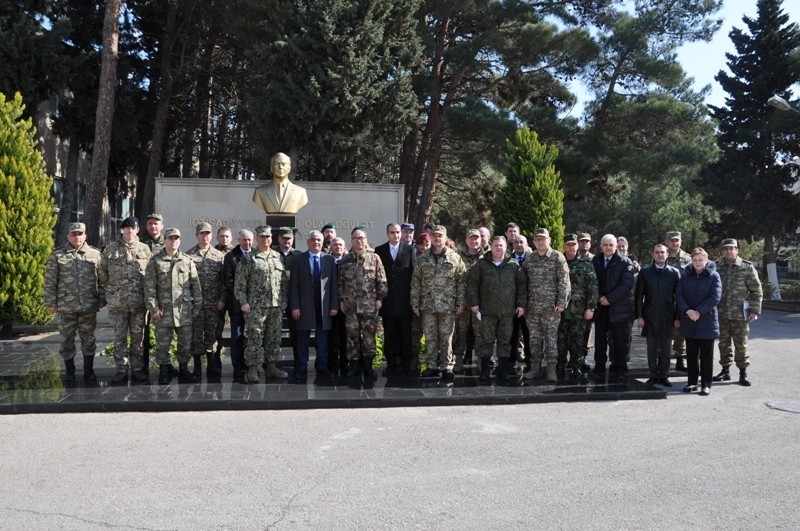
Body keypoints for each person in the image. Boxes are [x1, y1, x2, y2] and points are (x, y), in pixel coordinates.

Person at [44, 222, 106, 383]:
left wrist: (102, 298)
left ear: (85, 235)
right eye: (74, 234)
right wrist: (51, 302)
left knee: (89, 338)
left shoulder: (95, 255)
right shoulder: (57, 256)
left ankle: (88, 371)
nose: (77, 237)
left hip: (88, 305)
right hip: (66, 306)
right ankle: (69, 371)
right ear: (68, 236)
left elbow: (103, 280)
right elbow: (50, 282)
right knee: (66, 339)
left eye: (80, 234)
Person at [144, 228, 202, 385]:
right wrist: (153, 309)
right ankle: (163, 370)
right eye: (170, 238)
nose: (174, 241)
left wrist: (197, 307)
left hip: (184, 310)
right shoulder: (155, 261)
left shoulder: (187, 261)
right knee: (163, 343)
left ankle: (183, 369)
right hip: (164, 311)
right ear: (165, 240)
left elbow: (195, 285)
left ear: (180, 240)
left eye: (177, 238)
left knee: (185, 342)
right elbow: (149, 288)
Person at [99, 216, 152, 383]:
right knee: (119, 337)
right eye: (127, 228)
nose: (130, 231)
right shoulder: (110, 249)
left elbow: (150, 275)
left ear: (137, 230)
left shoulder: (145, 250)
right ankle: (121, 369)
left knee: (138, 338)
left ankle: (137, 369)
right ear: (122, 229)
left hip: (138, 303)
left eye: (133, 228)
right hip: (118, 303)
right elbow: (102, 273)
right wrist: (112, 290)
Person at [467, 236, 526, 383]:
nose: (498, 248)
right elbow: (472, 285)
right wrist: (474, 303)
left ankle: (504, 371)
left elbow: (522, 287)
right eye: (495, 245)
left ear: (506, 247)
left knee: (505, 342)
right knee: (486, 341)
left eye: (501, 245)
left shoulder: (514, 265)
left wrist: (521, 305)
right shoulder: (481, 265)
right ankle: (485, 372)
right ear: (491, 247)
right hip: (487, 311)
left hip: (507, 312)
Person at [411, 225, 466, 380]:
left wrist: (461, 302)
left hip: (448, 305)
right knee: (430, 336)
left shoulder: (455, 258)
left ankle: (447, 366)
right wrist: (415, 303)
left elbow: (461, 282)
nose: (437, 238)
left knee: (447, 337)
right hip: (428, 304)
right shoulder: (422, 258)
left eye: (440, 236)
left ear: (445, 238)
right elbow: (416, 282)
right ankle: (431, 366)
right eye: (434, 236)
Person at [234, 225, 289, 383]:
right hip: (255, 307)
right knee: (254, 337)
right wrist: (243, 302)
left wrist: (284, 299)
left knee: (274, 337)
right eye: (263, 237)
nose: (266, 239)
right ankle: (252, 368)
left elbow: (283, 281)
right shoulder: (248, 258)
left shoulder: (277, 257)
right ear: (257, 238)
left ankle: (271, 365)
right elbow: (239, 284)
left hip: (275, 306)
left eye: (268, 237)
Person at [338, 228, 387, 382]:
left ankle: (368, 365)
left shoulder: (374, 258)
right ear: (351, 240)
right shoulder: (345, 260)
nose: (359, 240)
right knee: (351, 337)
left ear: (366, 240)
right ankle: (354, 365)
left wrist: (380, 298)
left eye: (361, 237)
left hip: (369, 306)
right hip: (351, 306)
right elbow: (341, 283)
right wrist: (341, 300)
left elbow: (382, 280)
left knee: (369, 337)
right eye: (355, 238)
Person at [521, 228, 570, 382]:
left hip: (551, 308)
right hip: (533, 308)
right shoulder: (530, 259)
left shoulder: (557, 257)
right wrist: (523, 304)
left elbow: (564, 281)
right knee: (534, 340)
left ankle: (551, 369)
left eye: (543, 239)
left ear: (549, 240)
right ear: (534, 242)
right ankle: (535, 368)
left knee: (551, 339)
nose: (541, 242)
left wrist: (562, 302)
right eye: (538, 239)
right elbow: (523, 283)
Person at [289, 231, 339, 381]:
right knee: (302, 340)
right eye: (313, 240)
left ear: (322, 241)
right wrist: (295, 306)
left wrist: (333, 305)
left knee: (322, 341)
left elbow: (334, 286)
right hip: (304, 307)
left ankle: (322, 367)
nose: (316, 242)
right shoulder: (298, 259)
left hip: (323, 308)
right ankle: (301, 368)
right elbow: (293, 286)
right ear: (307, 241)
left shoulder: (329, 260)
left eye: (319, 240)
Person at [714, 238, 763, 386]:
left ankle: (743, 373)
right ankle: (725, 371)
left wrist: (754, 310)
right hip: (721, 313)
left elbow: (756, 290)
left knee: (741, 344)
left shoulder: (746, 267)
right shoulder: (716, 266)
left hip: (740, 314)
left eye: (732, 248)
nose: (729, 251)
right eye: (726, 248)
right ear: (722, 251)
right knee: (723, 344)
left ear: (737, 250)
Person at [677, 248, 721, 396]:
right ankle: (691, 382)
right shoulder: (686, 276)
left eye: (700, 260)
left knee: (706, 355)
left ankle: (706, 384)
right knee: (691, 354)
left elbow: (715, 297)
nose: (697, 263)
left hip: (706, 321)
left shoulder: (714, 276)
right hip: (689, 320)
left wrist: (698, 312)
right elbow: (679, 295)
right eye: (695, 260)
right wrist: (688, 311)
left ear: (706, 261)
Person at [634, 244, 680, 386]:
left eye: (662, 252)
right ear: (653, 254)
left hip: (668, 316)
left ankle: (664, 376)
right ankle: (653, 375)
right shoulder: (645, 272)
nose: (660, 255)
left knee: (666, 349)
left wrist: (678, 317)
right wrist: (640, 316)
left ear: (667, 254)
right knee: (651, 349)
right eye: (657, 252)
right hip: (650, 316)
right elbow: (638, 296)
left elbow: (679, 297)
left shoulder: (674, 273)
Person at [591, 234, 635, 379]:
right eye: (605, 245)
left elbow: (626, 285)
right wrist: (598, 298)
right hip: (600, 308)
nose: (608, 247)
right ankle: (599, 368)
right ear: (601, 246)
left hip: (618, 308)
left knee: (619, 341)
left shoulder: (625, 262)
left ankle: (620, 369)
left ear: (616, 246)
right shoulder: (595, 260)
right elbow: (591, 282)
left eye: (611, 245)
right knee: (600, 341)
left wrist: (609, 299)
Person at [186, 222, 226, 380]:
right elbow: (185, 282)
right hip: (195, 304)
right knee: (196, 336)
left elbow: (223, 281)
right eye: (202, 233)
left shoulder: (218, 255)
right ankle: (197, 367)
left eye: (208, 233)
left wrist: (222, 299)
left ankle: (211, 364)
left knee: (211, 335)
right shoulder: (188, 256)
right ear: (197, 235)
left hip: (213, 304)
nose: (205, 236)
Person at [375, 223, 415, 376]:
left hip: (405, 303)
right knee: (390, 337)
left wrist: (413, 301)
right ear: (387, 233)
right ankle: (391, 365)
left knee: (406, 337)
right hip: (388, 303)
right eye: (392, 232)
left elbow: (413, 275)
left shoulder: (410, 250)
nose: (396, 235)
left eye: (398, 232)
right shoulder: (380, 250)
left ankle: (406, 366)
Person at [557, 233, 598, 380]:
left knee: (578, 340)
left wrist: (591, 308)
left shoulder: (586, 264)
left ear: (577, 246)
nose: (571, 247)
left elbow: (592, 287)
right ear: (564, 246)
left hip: (579, 310)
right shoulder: (558, 261)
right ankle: (560, 366)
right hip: (559, 310)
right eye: (568, 244)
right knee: (560, 340)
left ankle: (576, 367)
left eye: (573, 244)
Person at [222, 229, 253, 381]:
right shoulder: (231, 257)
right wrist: (242, 300)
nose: (247, 243)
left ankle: (250, 363)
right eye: (244, 240)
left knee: (253, 336)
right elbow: (228, 282)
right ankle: (238, 366)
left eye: (249, 240)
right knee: (237, 336)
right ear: (238, 240)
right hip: (237, 305)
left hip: (255, 306)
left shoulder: (256, 254)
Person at [454, 229, 484, 372]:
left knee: (480, 333)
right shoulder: (457, 256)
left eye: (476, 238)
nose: (474, 241)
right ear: (466, 240)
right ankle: (458, 360)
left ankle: (480, 361)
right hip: (463, 302)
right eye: (471, 238)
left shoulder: (487, 256)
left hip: (480, 303)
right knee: (461, 332)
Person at [665, 230, 692, 371]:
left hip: (683, 301)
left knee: (682, 331)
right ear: (666, 242)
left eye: (677, 240)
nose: (674, 243)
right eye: (672, 240)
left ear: (680, 241)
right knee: (664, 330)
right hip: (665, 301)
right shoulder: (661, 256)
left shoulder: (688, 260)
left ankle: (681, 359)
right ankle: (661, 359)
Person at [328, 237, 349, 376]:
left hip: (347, 306)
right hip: (330, 305)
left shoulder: (349, 261)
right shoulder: (326, 261)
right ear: (330, 246)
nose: (338, 247)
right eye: (335, 245)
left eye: (340, 244)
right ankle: (332, 364)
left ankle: (345, 364)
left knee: (345, 335)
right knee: (331, 336)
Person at [510, 235, 532, 369]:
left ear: (526, 244)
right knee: (512, 334)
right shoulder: (508, 259)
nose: (518, 244)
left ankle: (530, 360)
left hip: (529, 304)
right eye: (516, 242)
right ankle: (511, 360)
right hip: (512, 303)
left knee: (528, 334)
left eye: (521, 242)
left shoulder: (533, 259)